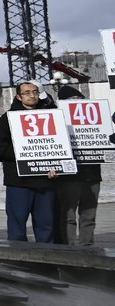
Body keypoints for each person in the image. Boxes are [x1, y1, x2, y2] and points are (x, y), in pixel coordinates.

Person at [0, 80, 59, 243]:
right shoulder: (9, 117)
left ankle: (47, 261)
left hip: (45, 179)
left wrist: (58, 166)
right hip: (19, 181)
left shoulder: (51, 114)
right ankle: (18, 261)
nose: (32, 95)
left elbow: (60, 144)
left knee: (46, 226)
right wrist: (22, 154)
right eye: (27, 92)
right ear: (19, 97)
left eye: (34, 92)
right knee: (17, 227)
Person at [54, 84, 101, 245]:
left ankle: (87, 246)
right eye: (70, 100)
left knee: (89, 215)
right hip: (69, 176)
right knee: (68, 216)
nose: (75, 103)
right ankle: (70, 249)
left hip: (92, 174)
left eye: (78, 99)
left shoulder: (92, 119)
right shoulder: (57, 121)